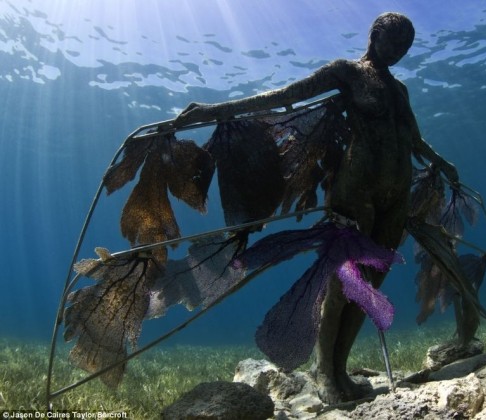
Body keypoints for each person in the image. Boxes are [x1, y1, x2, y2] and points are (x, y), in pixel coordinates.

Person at [175, 12, 459, 402]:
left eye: (405, 47)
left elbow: (414, 140)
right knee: (346, 282)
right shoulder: (348, 72)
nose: (398, 52)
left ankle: (341, 368)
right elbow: (285, 96)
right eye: (393, 42)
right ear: (375, 36)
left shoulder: (400, 90)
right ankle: (325, 371)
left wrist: (442, 163)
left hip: (397, 194)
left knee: (370, 286)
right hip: (357, 190)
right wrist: (212, 111)